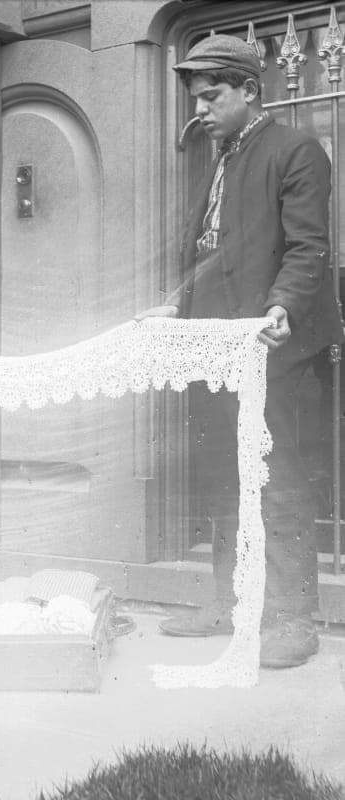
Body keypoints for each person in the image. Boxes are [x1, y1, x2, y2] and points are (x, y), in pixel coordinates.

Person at [136, 35, 343, 668]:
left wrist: (281, 306)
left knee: (278, 479)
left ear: (251, 90)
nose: (200, 109)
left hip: (277, 348)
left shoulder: (297, 151)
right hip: (216, 349)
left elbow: (309, 247)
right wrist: (176, 304)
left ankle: (292, 620)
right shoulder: (219, 159)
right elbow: (208, 252)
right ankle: (232, 604)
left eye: (213, 95)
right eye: (197, 98)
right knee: (224, 473)